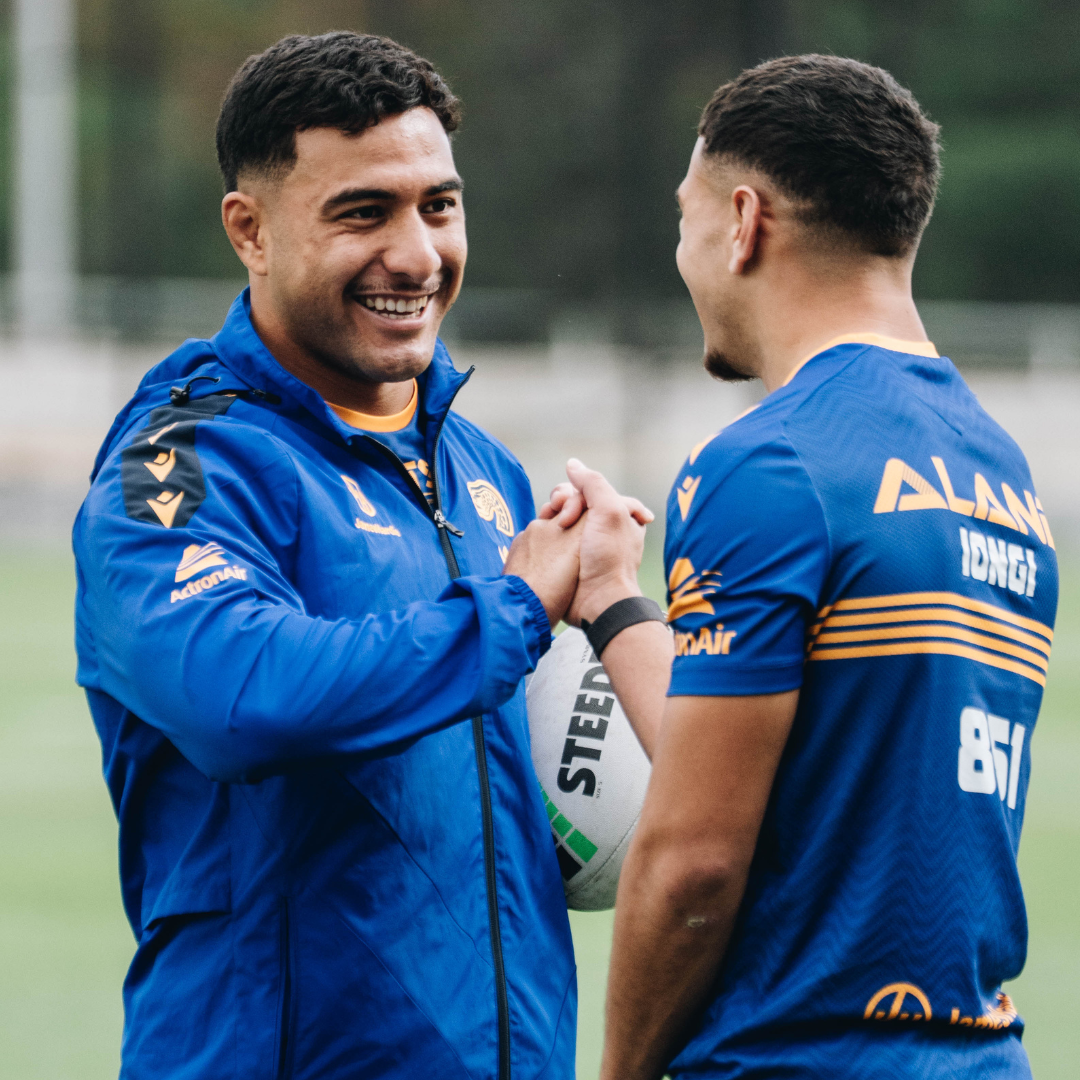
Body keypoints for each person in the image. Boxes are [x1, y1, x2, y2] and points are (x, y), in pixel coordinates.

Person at [73, 32, 649, 1079]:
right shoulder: (183, 465)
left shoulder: (483, 468)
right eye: (362, 213)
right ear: (248, 231)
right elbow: (240, 695)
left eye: (439, 205)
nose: (419, 255)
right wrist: (518, 606)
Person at [558, 55, 1058, 1079]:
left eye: (686, 218)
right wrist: (613, 598)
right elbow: (775, 756)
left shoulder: (771, 460)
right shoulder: (998, 473)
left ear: (744, 221)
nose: (684, 252)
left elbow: (695, 860)